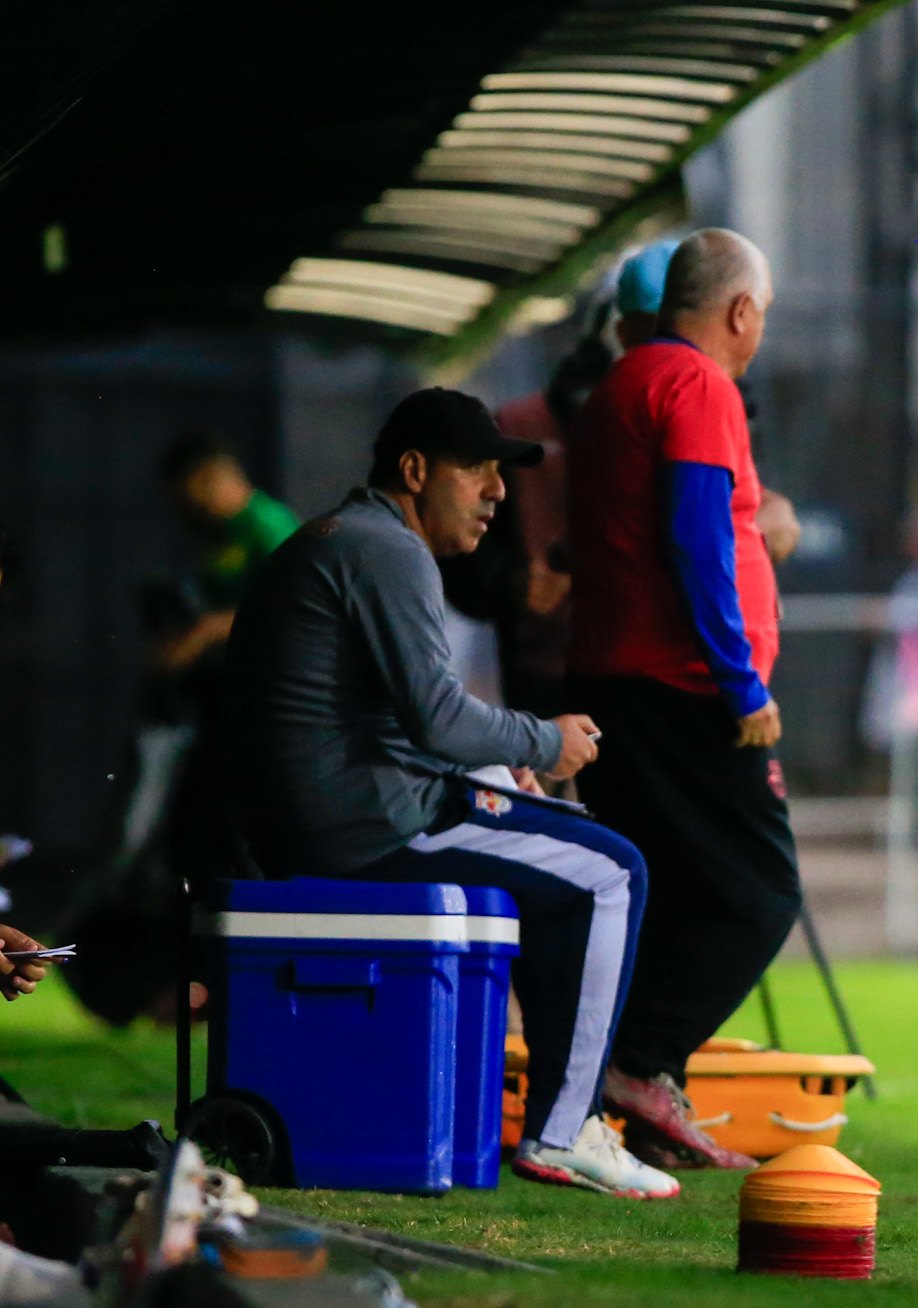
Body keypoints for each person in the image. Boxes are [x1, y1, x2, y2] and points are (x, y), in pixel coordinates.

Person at [227, 388, 678, 1199]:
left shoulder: (343, 537)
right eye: (477, 471)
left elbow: (390, 724)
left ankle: (558, 1113)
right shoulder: (385, 549)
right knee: (612, 875)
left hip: (335, 817)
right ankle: (564, 1130)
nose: (499, 493)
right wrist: (544, 739)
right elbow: (436, 720)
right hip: (370, 829)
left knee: (568, 854)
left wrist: (499, 768)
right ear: (414, 470)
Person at [567, 227, 800, 1175]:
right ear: (741, 310)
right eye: (763, 315)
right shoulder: (698, 386)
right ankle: (641, 1065)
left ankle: (626, 1088)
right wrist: (741, 680)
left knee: (663, 894)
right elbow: (700, 539)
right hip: (682, 688)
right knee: (758, 894)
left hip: (617, 680)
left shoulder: (620, 383)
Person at [155, 433, 300, 675]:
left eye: (185, 499)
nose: (183, 512)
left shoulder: (269, 526)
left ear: (207, 480)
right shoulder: (219, 534)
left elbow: (289, 607)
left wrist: (207, 631)